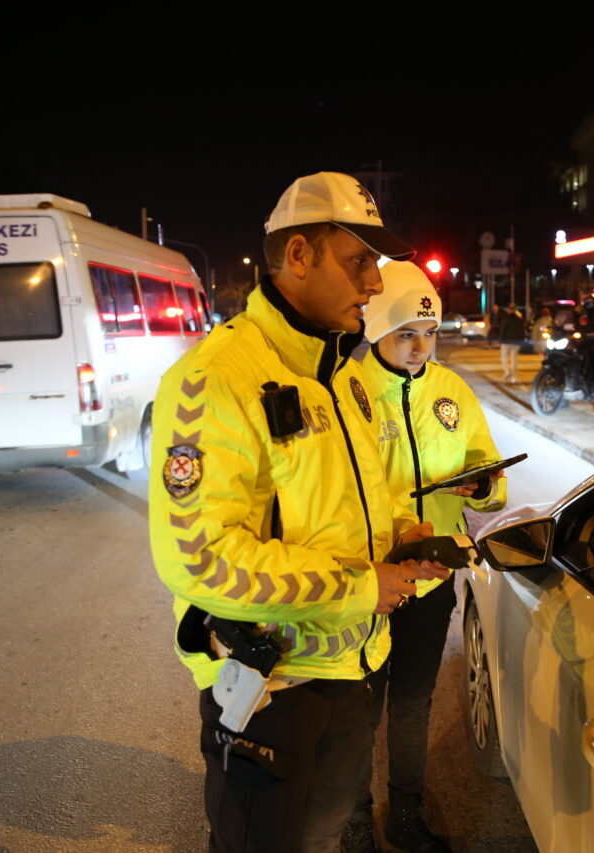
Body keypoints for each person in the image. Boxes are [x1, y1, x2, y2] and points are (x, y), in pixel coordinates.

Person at [148, 171, 451, 853]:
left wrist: (403, 536)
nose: (375, 283)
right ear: (298, 256)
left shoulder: (344, 376)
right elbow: (198, 558)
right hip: (272, 693)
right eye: (359, 262)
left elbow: (352, 499)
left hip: (352, 677)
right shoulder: (214, 378)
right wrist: (359, 587)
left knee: (320, 840)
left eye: (375, 264)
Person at [345, 261, 508, 853]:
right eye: (406, 333)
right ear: (378, 329)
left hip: (434, 574)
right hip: (372, 576)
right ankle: (356, 818)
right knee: (361, 706)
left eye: (430, 333)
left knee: (412, 701)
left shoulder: (453, 391)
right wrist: (396, 528)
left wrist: (484, 485)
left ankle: (406, 812)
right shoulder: (350, 392)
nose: (419, 348)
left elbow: (484, 460)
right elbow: (342, 487)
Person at [497, 303, 527, 383]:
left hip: (507, 341)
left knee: (504, 357)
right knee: (514, 359)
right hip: (516, 342)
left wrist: (500, 340)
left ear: (509, 310)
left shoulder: (506, 318)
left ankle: (507, 372)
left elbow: (503, 330)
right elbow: (522, 331)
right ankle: (513, 376)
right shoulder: (520, 319)